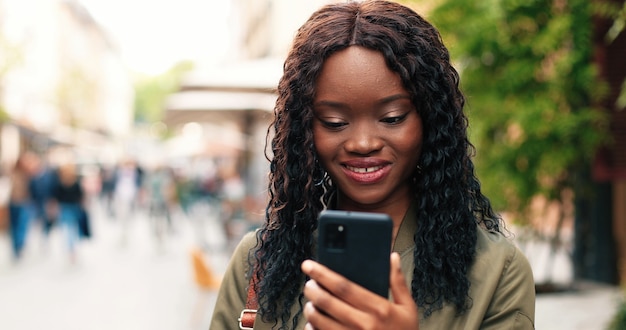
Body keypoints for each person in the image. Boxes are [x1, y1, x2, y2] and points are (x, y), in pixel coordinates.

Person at [210, 1, 536, 329]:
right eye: (334, 122)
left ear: (430, 122)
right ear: (306, 130)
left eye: (392, 118)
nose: (363, 143)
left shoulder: (496, 271)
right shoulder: (258, 263)